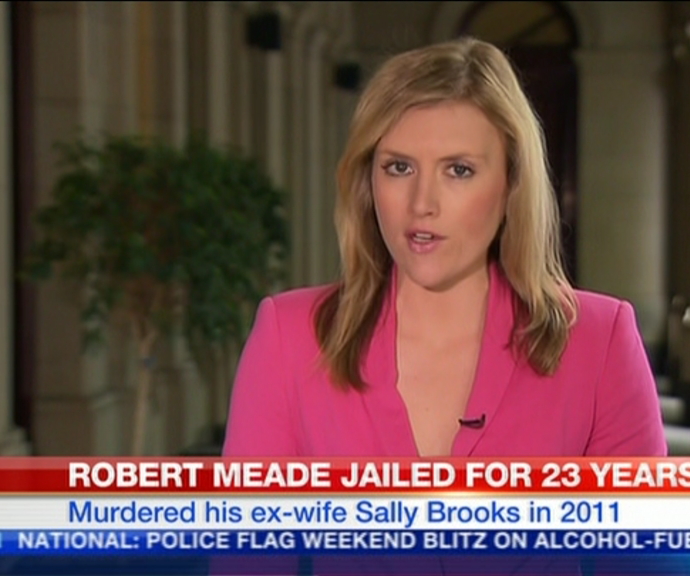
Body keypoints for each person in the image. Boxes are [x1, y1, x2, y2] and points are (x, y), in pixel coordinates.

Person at [221, 37, 666, 575]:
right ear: (367, 182)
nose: (422, 204)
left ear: (511, 184)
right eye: (398, 168)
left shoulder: (598, 342)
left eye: (458, 170)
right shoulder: (290, 339)